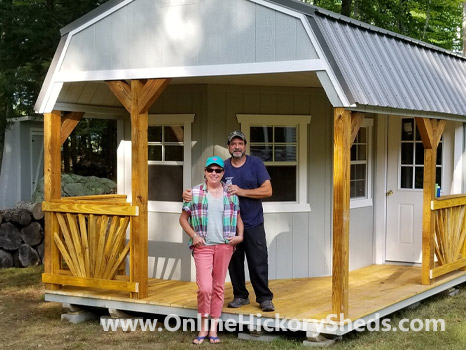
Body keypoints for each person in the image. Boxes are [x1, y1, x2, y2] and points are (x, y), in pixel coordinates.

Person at [183, 131, 275, 312]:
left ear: (245, 146)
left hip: (253, 222)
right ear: (228, 147)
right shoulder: (222, 167)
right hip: (228, 226)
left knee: (258, 262)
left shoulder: (255, 164)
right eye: (233, 144)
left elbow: (268, 191)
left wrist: (242, 191)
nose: (237, 147)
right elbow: (207, 186)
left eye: (240, 143)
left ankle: (264, 298)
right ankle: (240, 295)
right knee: (234, 263)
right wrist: (187, 194)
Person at [179, 156, 244, 344]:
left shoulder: (231, 193)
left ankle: (213, 328)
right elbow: (183, 219)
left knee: (218, 287)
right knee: (205, 288)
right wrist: (194, 235)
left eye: (218, 170)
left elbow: (238, 216)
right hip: (203, 247)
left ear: (223, 173)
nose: (214, 173)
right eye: (210, 170)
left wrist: (240, 236)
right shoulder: (195, 193)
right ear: (205, 172)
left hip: (225, 246)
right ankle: (203, 327)